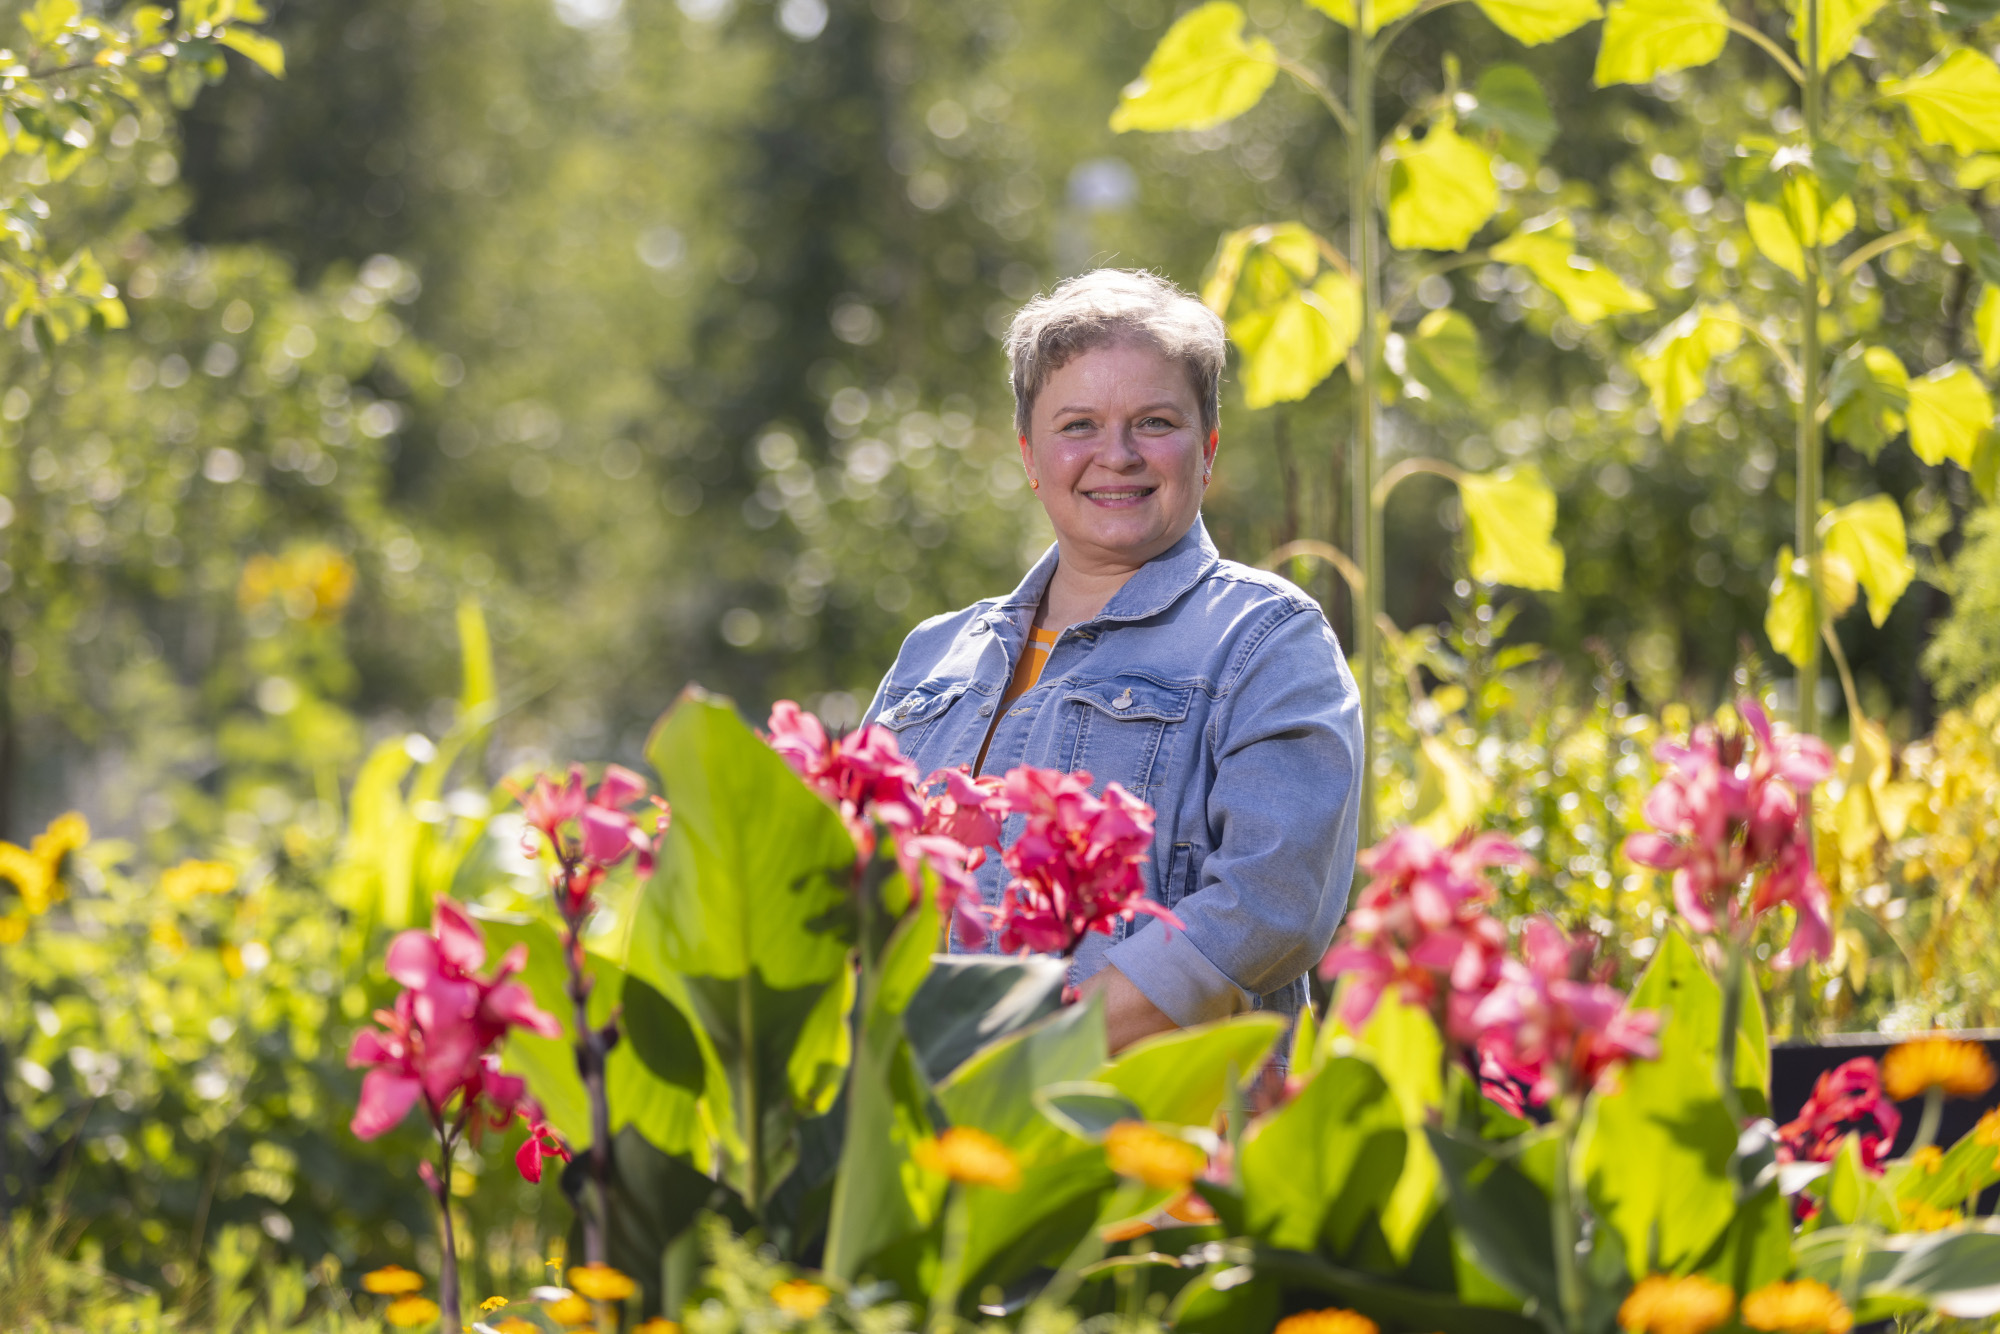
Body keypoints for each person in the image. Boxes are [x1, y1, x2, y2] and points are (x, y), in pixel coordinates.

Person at [863, 268, 1362, 1052]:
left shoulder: (1268, 638)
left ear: (1209, 451)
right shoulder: (933, 654)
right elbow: (854, 884)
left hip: (1149, 1142)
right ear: (1030, 456)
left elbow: (1269, 907)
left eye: (1155, 422)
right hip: (919, 1140)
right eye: (1078, 426)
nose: (1117, 455)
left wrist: (1033, 1056)